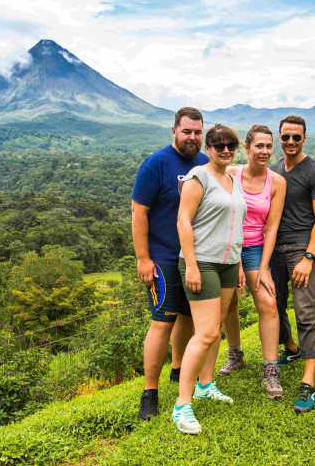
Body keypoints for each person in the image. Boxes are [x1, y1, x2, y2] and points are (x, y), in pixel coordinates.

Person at [131, 107, 208, 420]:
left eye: (197, 132)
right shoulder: (156, 164)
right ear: (174, 131)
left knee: (188, 317)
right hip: (162, 256)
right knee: (162, 320)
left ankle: (178, 369)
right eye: (187, 131)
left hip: (194, 255)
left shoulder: (205, 163)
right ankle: (150, 391)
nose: (192, 137)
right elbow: (139, 213)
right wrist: (143, 258)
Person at [172, 124, 247, 434]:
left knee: (214, 330)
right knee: (204, 333)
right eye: (218, 145)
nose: (225, 149)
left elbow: (234, 225)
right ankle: (181, 405)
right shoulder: (197, 177)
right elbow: (183, 221)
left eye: (231, 144)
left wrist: (239, 264)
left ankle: (206, 384)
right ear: (209, 147)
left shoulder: (232, 179)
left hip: (229, 263)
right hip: (202, 262)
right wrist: (190, 264)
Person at [217, 125, 287, 399]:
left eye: (269, 146)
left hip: (256, 248)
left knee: (268, 303)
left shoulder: (277, 182)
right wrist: (235, 265)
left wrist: (264, 269)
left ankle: (270, 369)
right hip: (227, 246)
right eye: (259, 146)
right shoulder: (231, 174)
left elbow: (272, 227)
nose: (265, 151)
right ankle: (235, 354)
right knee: (228, 302)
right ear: (246, 148)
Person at [269, 115, 315, 414]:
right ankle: (291, 348)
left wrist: (309, 257)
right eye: (285, 137)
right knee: (273, 307)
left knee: (306, 311)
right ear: (280, 138)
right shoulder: (274, 169)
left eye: (296, 137)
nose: (290, 142)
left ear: (304, 138)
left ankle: (309, 382)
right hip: (273, 251)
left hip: (301, 249)